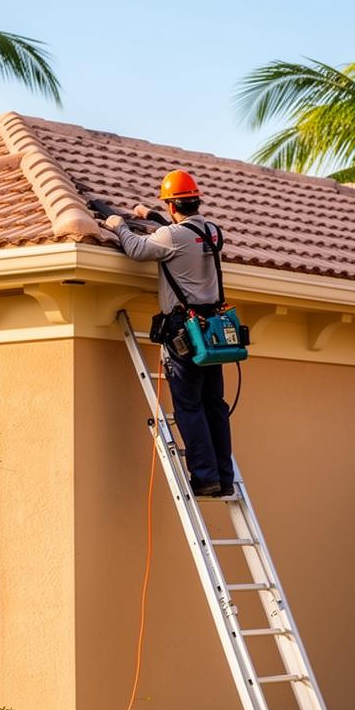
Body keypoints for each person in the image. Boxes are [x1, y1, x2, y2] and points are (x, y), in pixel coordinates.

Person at [101, 170, 234, 498]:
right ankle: (224, 477)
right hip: (211, 328)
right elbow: (184, 234)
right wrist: (152, 216)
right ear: (196, 200)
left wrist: (118, 224)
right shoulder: (213, 233)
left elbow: (137, 249)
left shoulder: (172, 237)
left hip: (184, 330)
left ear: (173, 206)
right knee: (213, 404)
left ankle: (204, 477)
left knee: (189, 406)